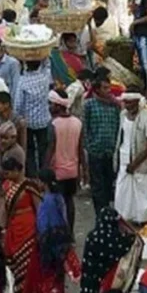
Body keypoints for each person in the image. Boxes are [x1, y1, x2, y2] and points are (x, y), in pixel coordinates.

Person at [0, 155, 42, 293]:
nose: (7, 176)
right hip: (14, 227)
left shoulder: (29, 186)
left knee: (28, 262)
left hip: (29, 227)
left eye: (9, 173)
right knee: (15, 263)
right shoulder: (8, 186)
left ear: (17, 170)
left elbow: (38, 207)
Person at [114, 93, 147, 225]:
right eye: (125, 102)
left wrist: (135, 163)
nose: (127, 105)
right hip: (124, 156)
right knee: (123, 190)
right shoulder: (122, 115)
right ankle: (124, 218)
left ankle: (143, 219)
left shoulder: (146, 118)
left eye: (130, 103)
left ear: (137, 102)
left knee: (141, 191)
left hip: (140, 161)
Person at [46, 91, 84, 231]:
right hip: (73, 171)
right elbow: (80, 149)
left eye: (51, 104)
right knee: (69, 201)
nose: (49, 107)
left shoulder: (54, 124)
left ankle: (60, 233)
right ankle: (70, 232)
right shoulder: (78, 123)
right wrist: (84, 171)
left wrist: (45, 169)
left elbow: (51, 148)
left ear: (57, 105)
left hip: (58, 171)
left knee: (58, 203)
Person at [85, 76, 122, 213]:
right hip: (96, 151)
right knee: (97, 186)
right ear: (97, 90)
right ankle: (100, 214)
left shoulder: (114, 105)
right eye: (105, 88)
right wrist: (89, 146)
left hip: (110, 151)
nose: (109, 91)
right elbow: (85, 128)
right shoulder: (89, 105)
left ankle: (107, 211)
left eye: (109, 87)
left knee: (108, 184)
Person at [16, 59, 53, 177]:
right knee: (44, 150)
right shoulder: (45, 77)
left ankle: (32, 177)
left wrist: (20, 117)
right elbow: (47, 64)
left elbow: (18, 104)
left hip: (28, 122)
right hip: (43, 120)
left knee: (29, 150)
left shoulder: (23, 81)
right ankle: (44, 176)